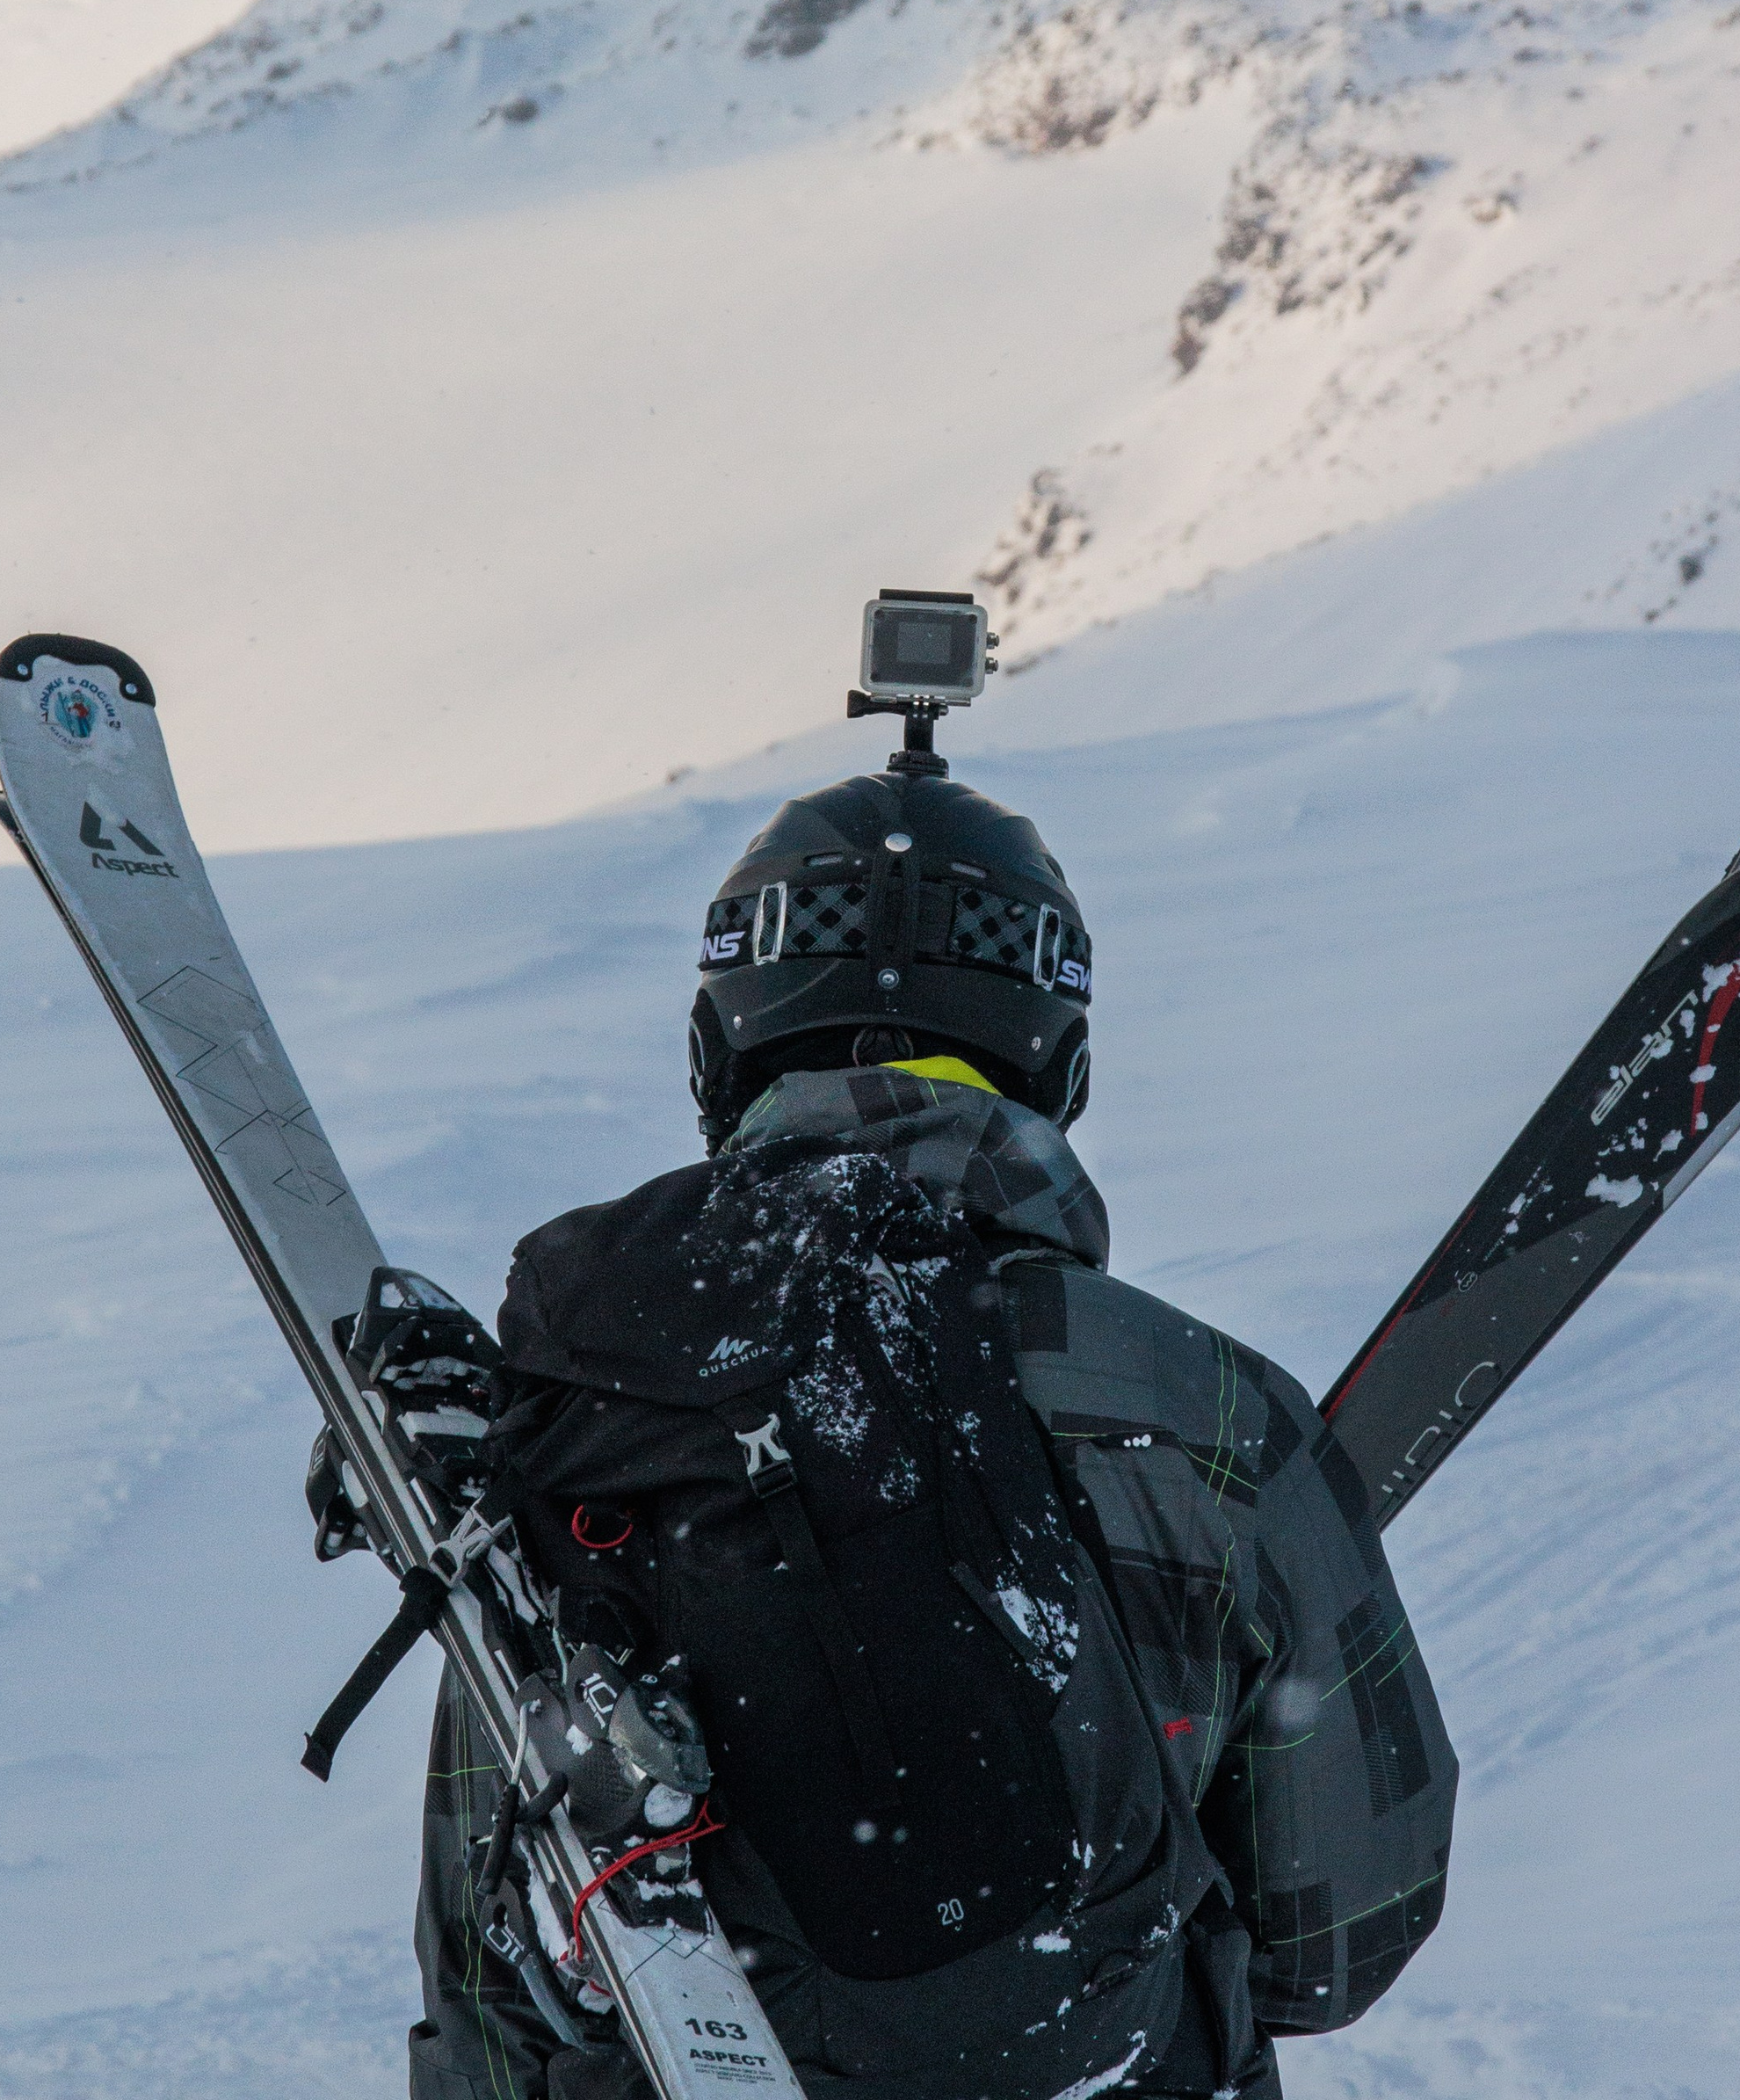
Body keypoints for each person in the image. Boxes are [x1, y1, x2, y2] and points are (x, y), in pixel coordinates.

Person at [408, 747, 1456, 2100]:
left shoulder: (599, 1396)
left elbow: (487, 1975)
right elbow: (1341, 1942)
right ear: (1061, 1064)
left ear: (713, 1052)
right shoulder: (1210, 1412)